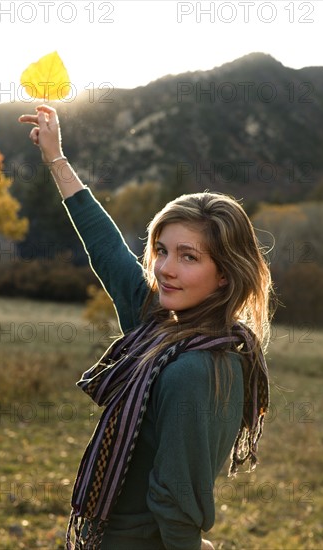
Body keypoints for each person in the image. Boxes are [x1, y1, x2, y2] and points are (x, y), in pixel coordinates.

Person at [19, 105, 273, 550]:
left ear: (226, 275)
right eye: (161, 250)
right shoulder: (160, 330)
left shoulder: (198, 366)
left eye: (189, 256)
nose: (165, 269)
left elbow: (176, 502)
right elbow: (108, 250)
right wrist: (56, 159)